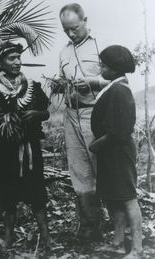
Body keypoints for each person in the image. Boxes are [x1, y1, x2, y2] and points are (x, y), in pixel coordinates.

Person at [0, 41, 51, 249]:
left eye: (18, 57)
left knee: (36, 190)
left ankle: (46, 237)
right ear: (0, 63)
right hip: (4, 151)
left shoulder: (32, 86)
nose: (17, 62)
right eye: (12, 58)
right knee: (8, 192)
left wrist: (35, 114)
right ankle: (8, 238)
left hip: (31, 149)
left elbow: (46, 113)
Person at [59, 3, 109, 240]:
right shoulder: (63, 52)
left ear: (85, 20)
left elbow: (118, 78)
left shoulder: (101, 45)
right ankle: (90, 228)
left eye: (74, 28)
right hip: (71, 115)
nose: (70, 34)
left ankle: (117, 223)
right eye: (66, 30)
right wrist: (60, 85)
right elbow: (61, 80)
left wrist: (93, 81)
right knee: (79, 172)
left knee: (103, 168)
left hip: (94, 114)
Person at [90, 45, 143, 259]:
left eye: (104, 65)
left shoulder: (120, 90)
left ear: (115, 68)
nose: (101, 68)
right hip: (111, 152)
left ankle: (138, 249)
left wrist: (96, 145)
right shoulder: (114, 86)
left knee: (128, 198)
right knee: (115, 198)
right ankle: (118, 244)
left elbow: (119, 129)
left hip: (118, 151)